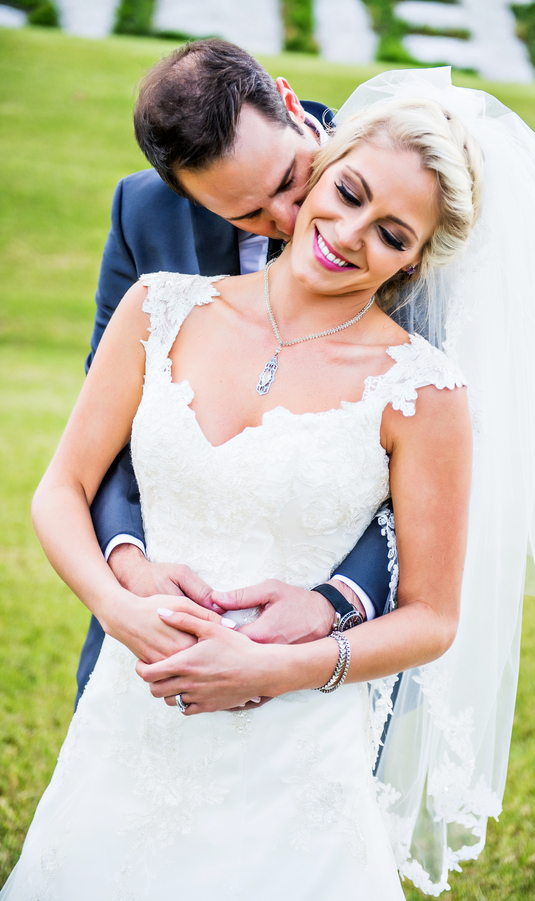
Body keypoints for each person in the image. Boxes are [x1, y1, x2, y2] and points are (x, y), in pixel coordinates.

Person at [2, 68, 535, 899]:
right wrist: (122, 603)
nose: (345, 233)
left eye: (393, 234)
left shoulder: (424, 390)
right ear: (332, 164)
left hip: (295, 745)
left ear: (419, 258)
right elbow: (63, 485)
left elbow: (434, 617)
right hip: (134, 699)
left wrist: (285, 667)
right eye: (347, 193)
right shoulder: (159, 307)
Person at [78, 38, 396, 705]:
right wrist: (129, 564)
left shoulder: (395, 189)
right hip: (163, 620)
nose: (287, 218)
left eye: (287, 181)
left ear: (286, 100)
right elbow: (104, 426)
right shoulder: (142, 213)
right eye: (247, 213)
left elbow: (433, 431)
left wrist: (335, 600)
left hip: (327, 638)